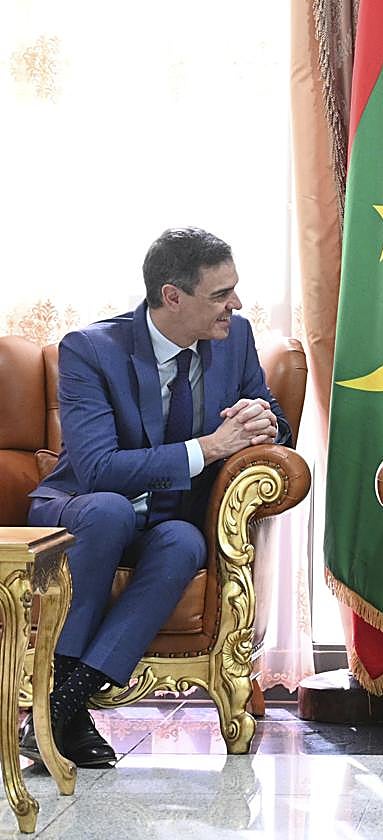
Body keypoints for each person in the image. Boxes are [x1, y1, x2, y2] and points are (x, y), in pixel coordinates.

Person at [21, 227, 292, 768]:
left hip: (169, 520)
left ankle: (61, 707)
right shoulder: (91, 350)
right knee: (110, 508)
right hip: (83, 510)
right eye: (221, 294)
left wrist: (264, 424)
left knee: (183, 543)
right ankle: (66, 708)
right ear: (173, 296)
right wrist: (209, 447)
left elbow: (274, 418)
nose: (235, 305)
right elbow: (97, 469)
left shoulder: (234, 338)